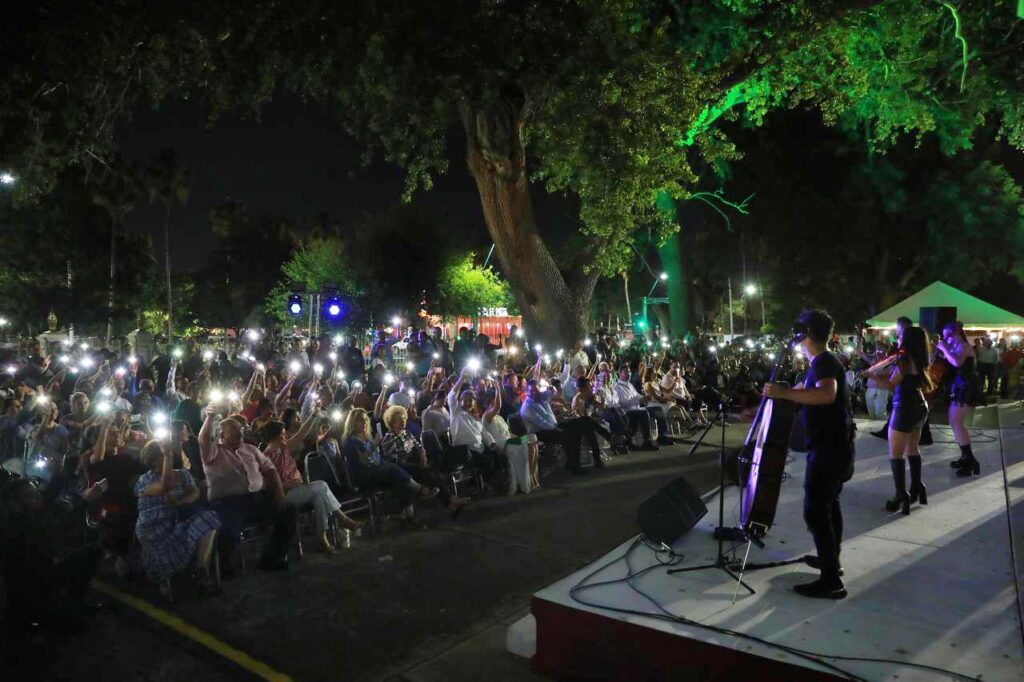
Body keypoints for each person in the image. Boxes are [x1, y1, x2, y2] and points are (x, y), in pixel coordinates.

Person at [763, 309, 854, 599]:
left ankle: (831, 581)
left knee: (815, 511)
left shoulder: (825, 362)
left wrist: (784, 394)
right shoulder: (819, 363)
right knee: (830, 506)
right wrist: (766, 404)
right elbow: (802, 391)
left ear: (807, 335)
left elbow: (826, 394)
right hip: (833, 447)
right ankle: (832, 562)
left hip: (830, 450)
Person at [198, 406, 296, 574]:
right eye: (234, 430)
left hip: (256, 498)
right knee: (229, 527)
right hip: (228, 503)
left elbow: (270, 469)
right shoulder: (213, 453)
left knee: (288, 512)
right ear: (222, 436)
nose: (240, 433)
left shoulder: (250, 449)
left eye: (240, 429)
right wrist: (210, 417)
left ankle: (272, 558)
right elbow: (203, 439)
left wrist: (279, 492)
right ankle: (225, 568)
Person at [1, 476, 105, 633]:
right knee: (78, 627)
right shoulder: (16, 524)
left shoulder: (31, 515)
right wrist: (85, 500)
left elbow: (52, 502)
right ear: (14, 503)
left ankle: (74, 603)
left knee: (93, 551)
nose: (37, 496)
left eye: (36, 492)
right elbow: (58, 530)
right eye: (29, 495)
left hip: (45, 577)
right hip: (32, 591)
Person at [261, 420, 362, 553]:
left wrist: (314, 415)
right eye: (283, 434)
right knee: (321, 486)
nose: (286, 436)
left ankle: (322, 537)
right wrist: (292, 484)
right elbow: (270, 485)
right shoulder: (266, 457)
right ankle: (342, 519)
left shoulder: (283, 448)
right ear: (275, 436)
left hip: (299, 489)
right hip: (285, 494)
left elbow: (301, 433)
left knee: (319, 496)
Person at [134, 439, 221, 592]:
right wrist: (167, 456)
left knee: (209, 519)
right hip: (153, 528)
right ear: (154, 460)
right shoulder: (144, 480)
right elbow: (164, 486)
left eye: (169, 454)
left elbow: (194, 493)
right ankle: (168, 573)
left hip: (178, 522)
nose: (170, 456)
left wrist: (181, 501)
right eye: (163, 455)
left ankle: (202, 569)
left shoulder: (182, 474)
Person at [863, 326, 932, 515]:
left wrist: (872, 376)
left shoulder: (904, 358)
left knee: (895, 454)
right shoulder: (921, 357)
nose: (898, 337)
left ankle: (901, 495)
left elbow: (891, 385)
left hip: (905, 407)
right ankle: (917, 486)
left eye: (900, 335)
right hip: (920, 407)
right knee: (912, 449)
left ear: (907, 339)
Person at [341, 408, 438, 527]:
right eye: (360, 420)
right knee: (392, 469)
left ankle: (409, 516)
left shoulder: (367, 438)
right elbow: (361, 461)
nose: (364, 423)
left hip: (377, 471)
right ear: (353, 422)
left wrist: (381, 459)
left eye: (366, 420)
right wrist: (374, 447)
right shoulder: (350, 442)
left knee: (399, 478)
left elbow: (378, 458)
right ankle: (420, 490)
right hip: (364, 476)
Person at [379, 405, 470, 515]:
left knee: (433, 473)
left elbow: (419, 447)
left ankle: (451, 503)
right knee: (430, 473)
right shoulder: (388, 439)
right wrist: (416, 464)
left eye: (404, 418)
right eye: (400, 419)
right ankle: (451, 501)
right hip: (403, 470)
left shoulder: (406, 434)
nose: (403, 421)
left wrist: (423, 457)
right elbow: (395, 460)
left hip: (415, 464)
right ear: (392, 421)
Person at [936, 322, 981, 476]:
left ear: (953, 332)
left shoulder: (963, 345)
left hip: (966, 387)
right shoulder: (957, 346)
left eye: (945, 333)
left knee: (956, 422)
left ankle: (970, 461)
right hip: (960, 386)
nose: (943, 337)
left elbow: (957, 362)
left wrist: (943, 348)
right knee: (954, 421)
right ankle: (965, 457)